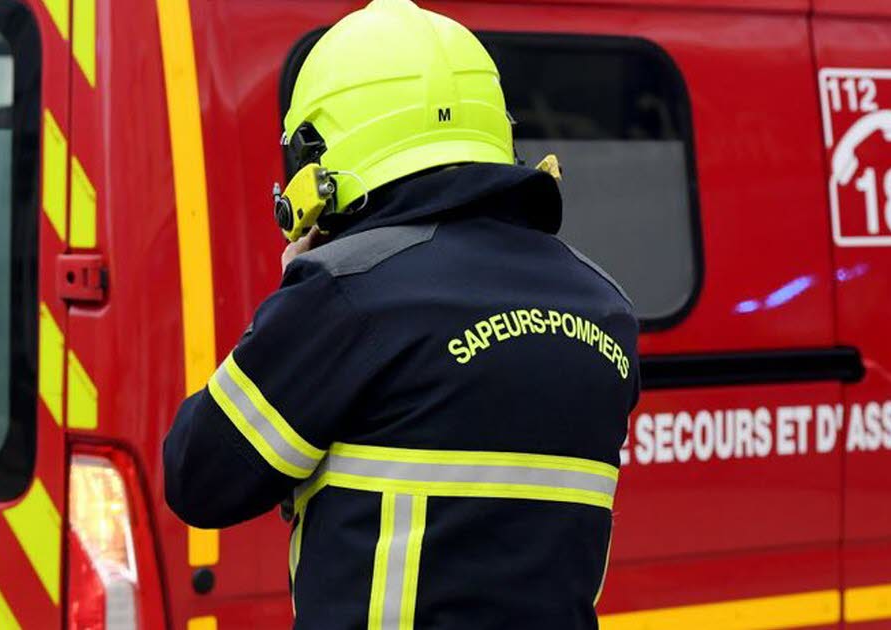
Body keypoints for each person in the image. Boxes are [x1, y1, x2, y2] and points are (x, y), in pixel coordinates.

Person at [161, 1, 640, 628]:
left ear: (319, 161)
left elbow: (198, 476)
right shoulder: (605, 308)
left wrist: (289, 305)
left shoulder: (346, 295)